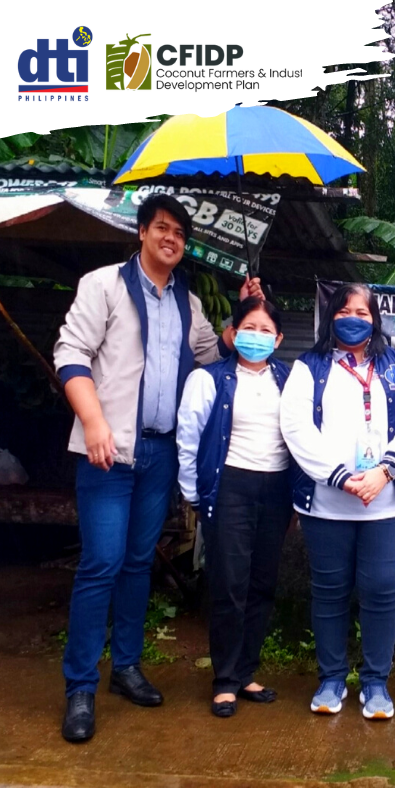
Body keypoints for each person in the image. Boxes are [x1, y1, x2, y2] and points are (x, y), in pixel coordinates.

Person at [53, 193, 262, 743]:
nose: (171, 239)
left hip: (159, 453)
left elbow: (213, 356)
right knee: (101, 561)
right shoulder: (104, 285)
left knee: (138, 561)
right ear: (142, 232)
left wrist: (242, 315)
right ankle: (80, 686)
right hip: (108, 451)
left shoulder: (186, 303)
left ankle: (124, 667)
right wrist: (94, 422)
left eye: (179, 233)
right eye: (162, 228)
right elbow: (70, 354)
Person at [280, 284, 395, 720]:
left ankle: (376, 683)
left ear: (375, 320)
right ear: (330, 317)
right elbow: (295, 427)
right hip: (326, 503)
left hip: (385, 504)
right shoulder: (309, 368)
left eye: (362, 312)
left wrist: (386, 469)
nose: (353, 318)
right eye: (344, 310)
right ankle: (330, 679)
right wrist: (341, 477)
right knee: (329, 591)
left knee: (382, 589)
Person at [176, 297, 297, 718]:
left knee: (263, 584)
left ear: (279, 338)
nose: (257, 336)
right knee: (229, 585)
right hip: (230, 488)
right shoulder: (208, 379)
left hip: (277, 489)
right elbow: (189, 438)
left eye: (266, 330)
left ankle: (246, 673)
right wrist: (193, 492)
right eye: (249, 327)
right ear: (233, 332)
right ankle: (224, 680)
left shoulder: (290, 379)